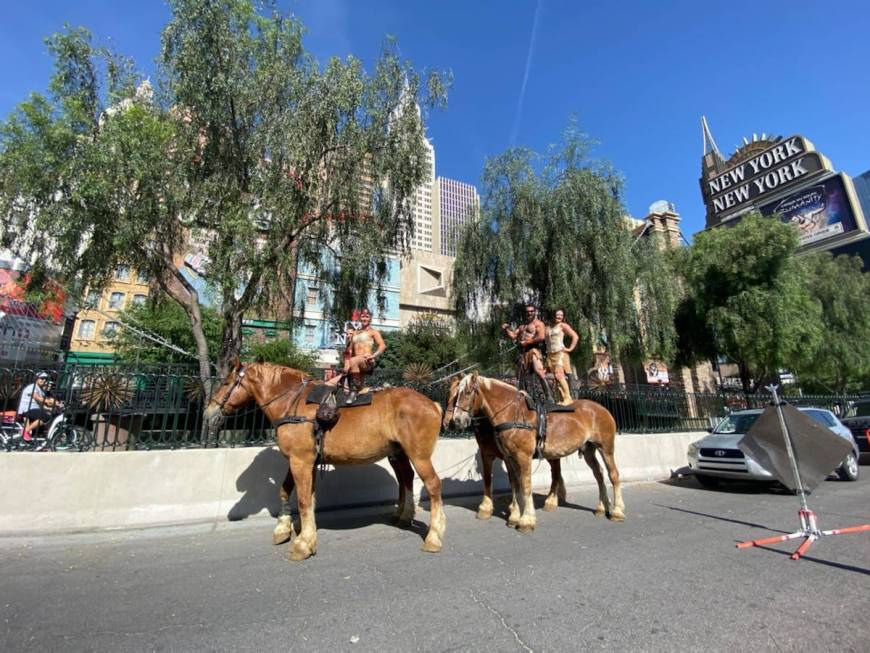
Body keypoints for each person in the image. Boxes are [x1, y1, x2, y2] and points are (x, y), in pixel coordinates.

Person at [328, 308, 386, 403]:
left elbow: (382, 345)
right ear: (360, 318)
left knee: (354, 360)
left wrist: (373, 356)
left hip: (367, 361)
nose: (364, 318)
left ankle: (354, 390)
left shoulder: (373, 332)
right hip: (355, 363)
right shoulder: (355, 333)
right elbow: (349, 350)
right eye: (363, 316)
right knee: (334, 380)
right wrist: (346, 365)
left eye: (367, 316)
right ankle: (359, 388)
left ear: (370, 318)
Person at [502, 304, 553, 402]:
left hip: (533, 350)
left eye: (531, 311)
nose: (529, 313)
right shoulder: (522, 326)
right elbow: (513, 336)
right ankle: (525, 396)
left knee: (539, 371)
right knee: (520, 375)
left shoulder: (538, 324)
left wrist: (527, 342)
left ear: (535, 312)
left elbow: (541, 337)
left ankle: (549, 396)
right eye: (527, 311)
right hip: (522, 352)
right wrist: (507, 329)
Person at [545, 309, 579, 405]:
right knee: (555, 378)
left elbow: (575, 336)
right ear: (553, 315)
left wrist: (570, 349)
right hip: (550, 354)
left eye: (561, 315)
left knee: (559, 375)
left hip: (560, 353)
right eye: (557, 314)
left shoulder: (563, 326)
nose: (559, 316)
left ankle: (568, 398)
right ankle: (560, 398)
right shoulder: (548, 327)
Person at [17, 372, 61, 441]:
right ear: (36, 379)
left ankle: (35, 442)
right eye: (42, 378)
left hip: (33, 409)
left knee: (46, 417)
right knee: (46, 417)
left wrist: (54, 405)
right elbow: (38, 398)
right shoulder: (32, 387)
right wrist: (51, 402)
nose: (44, 380)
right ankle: (26, 431)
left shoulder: (40, 390)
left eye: (45, 379)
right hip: (26, 410)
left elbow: (42, 404)